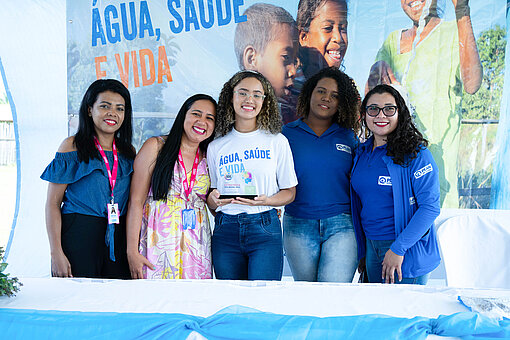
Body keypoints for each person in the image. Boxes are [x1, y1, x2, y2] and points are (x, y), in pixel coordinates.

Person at [366, 0, 482, 208]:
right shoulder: (393, 42)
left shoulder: (453, 33)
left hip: (436, 177)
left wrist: (462, 11)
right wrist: (375, 72)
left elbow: (472, 83)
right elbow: (371, 101)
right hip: (394, 172)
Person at [207, 70, 298, 280]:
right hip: (225, 229)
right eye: (243, 93)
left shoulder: (277, 142)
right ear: (231, 96)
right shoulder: (216, 146)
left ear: (265, 101)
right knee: (230, 300)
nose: (250, 99)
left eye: (257, 94)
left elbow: (289, 192)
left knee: (263, 301)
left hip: (264, 226)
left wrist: (268, 201)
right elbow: (213, 196)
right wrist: (212, 200)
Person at [41, 79, 135, 279]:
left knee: (116, 302)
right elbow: (52, 204)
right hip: (79, 232)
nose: (113, 113)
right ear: (90, 110)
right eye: (105, 106)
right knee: (78, 302)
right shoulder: (71, 147)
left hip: (119, 235)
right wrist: (56, 252)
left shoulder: (128, 152)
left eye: (120, 108)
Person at [351, 84, 441, 284]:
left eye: (389, 109)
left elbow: (430, 207)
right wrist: (364, 251)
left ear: (400, 113)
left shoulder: (416, 154)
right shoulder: (362, 152)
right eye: (373, 109)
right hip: (371, 247)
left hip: (403, 248)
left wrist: (398, 248)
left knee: (402, 314)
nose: (380, 115)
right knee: (375, 313)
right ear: (364, 114)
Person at [126, 94, 217, 279]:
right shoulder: (156, 146)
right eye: (196, 114)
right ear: (183, 115)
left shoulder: (210, 156)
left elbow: (213, 205)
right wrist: (131, 251)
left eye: (210, 118)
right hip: (157, 242)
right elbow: (135, 201)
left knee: (193, 304)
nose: (202, 122)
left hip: (196, 246)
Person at [282, 67, 360, 282]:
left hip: (342, 225)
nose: (326, 98)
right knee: (307, 295)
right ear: (309, 94)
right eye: (321, 91)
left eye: (335, 96)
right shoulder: (285, 135)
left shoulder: (349, 138)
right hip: (298, 224)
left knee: (333, 294)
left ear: (341, 103)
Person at [281, 0, 349, 124]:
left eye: (343, 29)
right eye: (328, 28)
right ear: (303, 37)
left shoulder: (348, 94)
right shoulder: (287, 93)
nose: (338, 38)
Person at [234, 3, 299, 125]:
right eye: (286, 57)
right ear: (251, 59)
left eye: (295, 61)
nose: (293, 72)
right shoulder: (227, 122)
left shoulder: (293, 118)